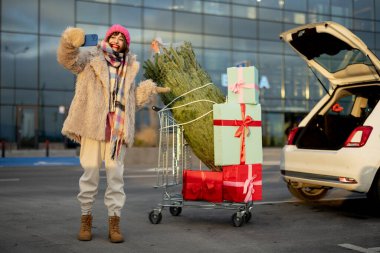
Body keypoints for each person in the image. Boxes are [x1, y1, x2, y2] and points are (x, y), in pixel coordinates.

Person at [57, 24, 169, 243]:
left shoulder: (129, 68)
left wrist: (148, 89)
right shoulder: (91, 59)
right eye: (113, 36)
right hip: (92, 127)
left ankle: (114, 224)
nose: (117, 40)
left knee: (115, 180)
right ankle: (86, 220)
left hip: (117, 133)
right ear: (107, 39)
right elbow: (67, 60)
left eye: (122, 38)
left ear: (126, 44)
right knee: (89, 176)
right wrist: (70, 41)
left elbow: (131, 101)